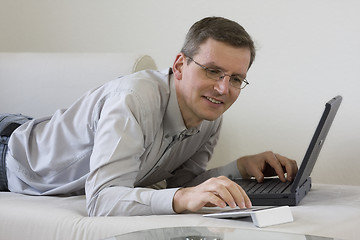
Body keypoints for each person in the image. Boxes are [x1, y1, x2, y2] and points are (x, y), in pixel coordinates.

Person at [0, 17, 298, 216]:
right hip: (10, 156)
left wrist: (241, 168)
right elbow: (102, 200)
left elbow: (183, 182)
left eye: (235, 78)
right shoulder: (133, 100)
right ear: (180, 66)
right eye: (212, 71)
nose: (223, 88)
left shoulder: (209, 116)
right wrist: (180, 200)